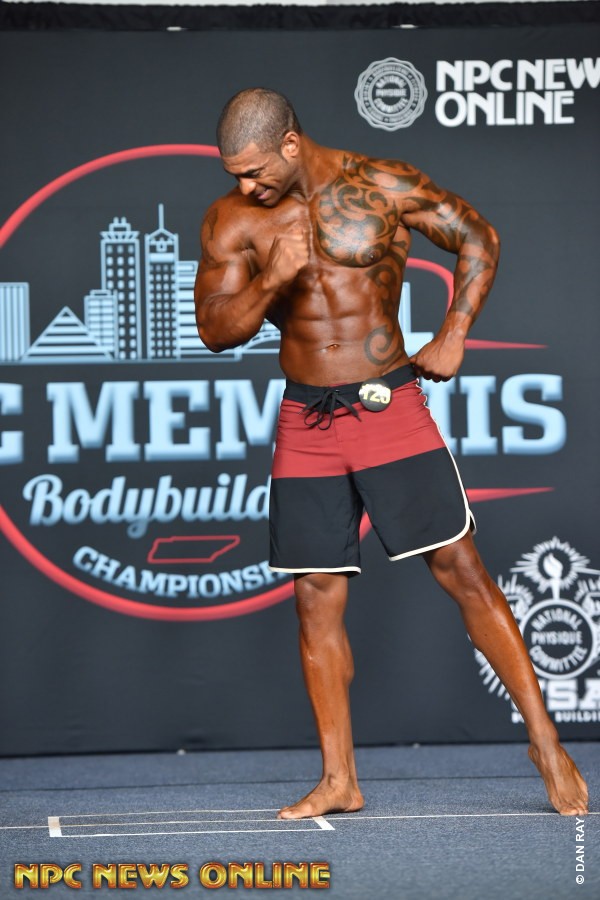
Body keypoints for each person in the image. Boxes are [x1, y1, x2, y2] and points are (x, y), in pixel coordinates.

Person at [194, 88, 588, 819]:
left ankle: (545, 742)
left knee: (462, 569)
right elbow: (214, 330)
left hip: (385, 403)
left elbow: (479, 236)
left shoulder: (381, 183)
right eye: (234, 174)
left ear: (290, 144)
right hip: (306, 418)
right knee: (314, 597)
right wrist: (274, 278)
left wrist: (454, 333)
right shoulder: (232, 219)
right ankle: (339, 779)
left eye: (254, 171)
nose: (245, 186)